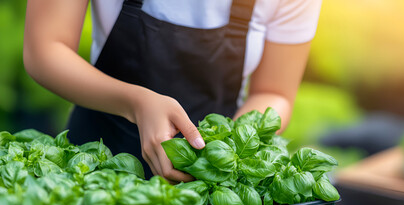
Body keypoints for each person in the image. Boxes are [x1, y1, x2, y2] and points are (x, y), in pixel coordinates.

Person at [23, 0, 322, 183]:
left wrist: (228, 148)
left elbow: (274, 93)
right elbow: (45, 49)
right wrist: (137, 103)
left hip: (208, 185)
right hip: (97, 163)